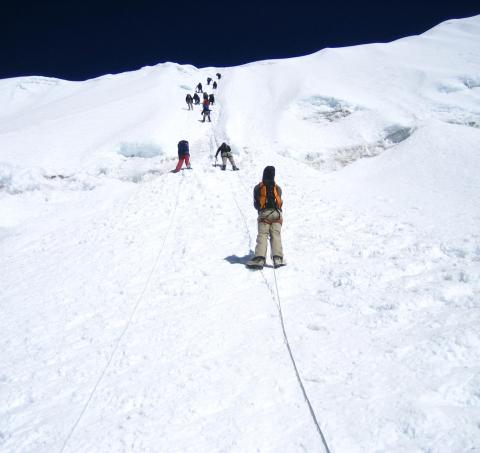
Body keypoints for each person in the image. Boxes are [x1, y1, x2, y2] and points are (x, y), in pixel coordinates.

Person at [246, 166, 285, 269]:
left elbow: (256, 205)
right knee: (275, 235)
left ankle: (259, 259)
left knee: (263, 235)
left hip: (265, 214)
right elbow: (280, 201)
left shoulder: (258, 187)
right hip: (277, 214)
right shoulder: (278, 188)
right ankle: (278, 259)